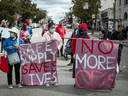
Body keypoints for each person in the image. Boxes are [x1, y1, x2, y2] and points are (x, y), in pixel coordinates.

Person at [42, 22, 62, 87]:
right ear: (49, 28)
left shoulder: (57, 35)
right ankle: (47, 81)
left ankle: (54, 80)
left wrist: (57, 48)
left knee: (54, 67)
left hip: (54, 53)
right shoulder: (45, 34)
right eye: (52, 27)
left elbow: (60, 42)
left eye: (54, 27)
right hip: (47, 53)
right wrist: (49, 41)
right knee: (47, 66)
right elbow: (42, 43)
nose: (53, 29)